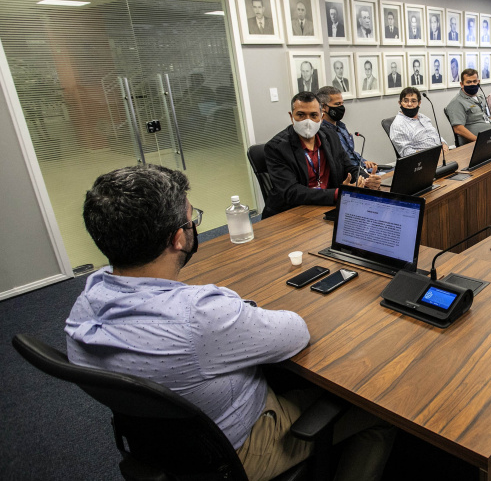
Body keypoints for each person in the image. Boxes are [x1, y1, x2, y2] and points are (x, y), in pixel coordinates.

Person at [66, 164, 395, 481]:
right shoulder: (202, 316)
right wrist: (223, 302)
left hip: (155, 441)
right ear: (178, 239)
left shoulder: (84, 305)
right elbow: (296, 333)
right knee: (378, 413)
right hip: (240, 449)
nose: (193, 224)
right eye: (191, 219)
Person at [264, 92, 367, 216]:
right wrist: (336, 193)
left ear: (322, 117)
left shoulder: (331, 136)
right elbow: (291, 191)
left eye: (313, 115)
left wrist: (365, 179)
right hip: (292, 213)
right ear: (291, 117)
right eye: (301, 115)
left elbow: (349, 167)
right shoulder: (276, 147)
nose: (308, 121)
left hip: (326, 208)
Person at [317, 85, 378, 176]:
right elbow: (341, 162)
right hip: (349, 175)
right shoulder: (323, 132)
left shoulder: (340, 126)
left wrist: (364, 162)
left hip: (360, 169)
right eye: (337, 104)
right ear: (323, 107)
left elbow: (350, 152)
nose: (341, 107)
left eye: (342, 103)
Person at [389, 87, 448, 157]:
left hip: (442, 154)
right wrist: (431, 154)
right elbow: (406, 152)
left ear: (419, 103)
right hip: (424, 160)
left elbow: (434, 135)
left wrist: (444, 144)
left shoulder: (423, 118)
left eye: (413, 101)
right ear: (400, 103)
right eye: (405, 101)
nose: (410, 104)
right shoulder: (398, 124)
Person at [444, 68, 491, 145]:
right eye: (468, 82)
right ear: (462, 84)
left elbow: (489, 117)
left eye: (474, 81)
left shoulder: (481, 98)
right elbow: (458, 129)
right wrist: (479, 141)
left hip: (490, 139)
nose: (472, 84)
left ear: (478, 82)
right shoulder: (457, 102)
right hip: (474, 143)